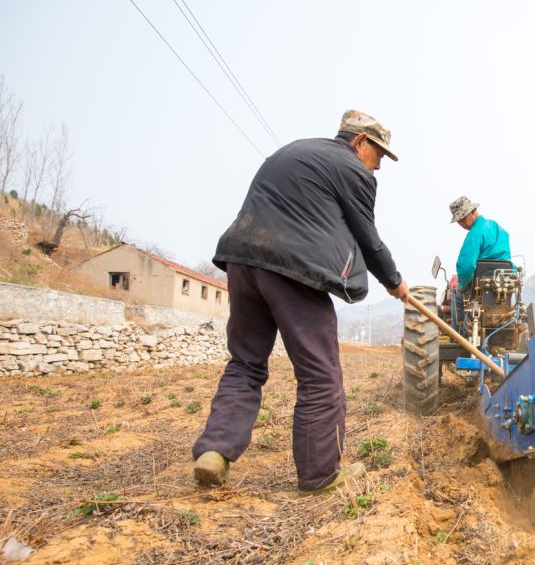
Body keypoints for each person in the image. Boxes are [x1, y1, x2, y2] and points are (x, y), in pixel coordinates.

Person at [192, 109, 409, 494]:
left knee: (245, 362)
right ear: (359, 142)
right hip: (293, 269)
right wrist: (396, 283)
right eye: (378, 155)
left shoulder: (291, 151)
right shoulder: (352, 169)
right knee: (320, 373)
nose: (378, 167)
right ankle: (320, 473)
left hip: (242, 259)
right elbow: (368, 238)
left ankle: (214, 452)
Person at [449, 196, 511, 290]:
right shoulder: (495, 226)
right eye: (458, 221)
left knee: (455, 295)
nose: (461, 223)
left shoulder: (474, 234)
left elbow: (466, 266)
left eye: (463, 218)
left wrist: (461, 286)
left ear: (473, 212)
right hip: (505, 280)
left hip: (483, 282)